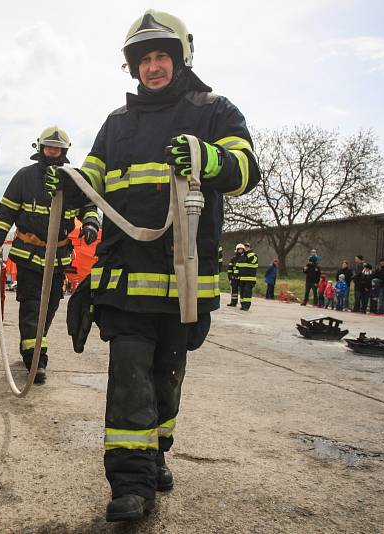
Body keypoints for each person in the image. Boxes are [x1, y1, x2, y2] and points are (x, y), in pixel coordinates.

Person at [44, 10, 260, 521]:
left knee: (167, 376)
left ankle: (156, 452)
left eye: (162, 56)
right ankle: (131, 485)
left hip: (186, 282)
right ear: (134, 68)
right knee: (128, 379)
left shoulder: (216, 111)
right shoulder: (118, 123)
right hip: (123, 279)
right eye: (144, 59)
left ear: (180, 57)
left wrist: (209, 159)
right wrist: (69, 182)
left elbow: (247, 170)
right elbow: (92, 172)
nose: (153, 66)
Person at [0, 126, 99, 385]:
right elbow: (6, 213)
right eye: (49, 147)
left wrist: (91, 224)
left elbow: (88, 205)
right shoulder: (24, 178)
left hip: (58, 257)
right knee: (32, 307)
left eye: (57, 148)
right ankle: (35, 359)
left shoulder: (73, 179)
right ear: (40, 148)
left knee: (49, 308)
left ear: (65, 151)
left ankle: (35, 345)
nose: (53, 151)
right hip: (28, 254)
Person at [236, 243, 258, 311]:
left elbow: (252, 260)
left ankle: (246, 306)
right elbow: (237, 266)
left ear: (250, 248)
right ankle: (243, 305)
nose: (246, 248)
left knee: (247, 292)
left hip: (250, 278)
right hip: (242, 278)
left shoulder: (253, 255)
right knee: (242, 292)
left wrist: (248, 252)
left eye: (247, 247)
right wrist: (236, 275)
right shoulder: (242, 256)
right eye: (245, 247)